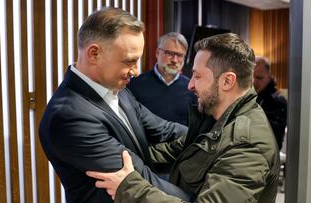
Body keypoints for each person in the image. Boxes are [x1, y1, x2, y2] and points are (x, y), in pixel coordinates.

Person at [87, 33, 280, 203]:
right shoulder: (215, 120)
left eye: (197, 76)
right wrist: (113, 158)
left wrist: (129, 188)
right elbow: (174, 150)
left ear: (227, 81)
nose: (190, 85)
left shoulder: (247, 143)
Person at [39, 8, 192, 203]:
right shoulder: (69, 116)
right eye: (129, 61)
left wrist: (216, 140)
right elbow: (140, 177)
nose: (136, 72)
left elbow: (165, 129)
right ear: (94, 53)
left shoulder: (120, 91)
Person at [127, 32, 196, 126]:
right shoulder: (134, 86)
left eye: (179, 55)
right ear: (157, 53)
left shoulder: (191, 88)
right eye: (170, 53)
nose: (174, 60)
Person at [253, 56, 287, 150]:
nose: (253, 82)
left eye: (259, 78)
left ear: (269, 76)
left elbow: (272, 140)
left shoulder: (278, 101)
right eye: (250, 77)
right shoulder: (244, 96)